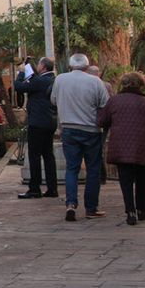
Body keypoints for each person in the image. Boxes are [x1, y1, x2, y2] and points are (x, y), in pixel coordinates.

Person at [98, 73, 145, 226]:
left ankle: (130, 210)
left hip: (121, 147)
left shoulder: (114, 101)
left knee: (126, 180)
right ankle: (142, 209)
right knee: (143, 179)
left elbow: (102, 121)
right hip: (143, 146)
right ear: (140, 85)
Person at [52, 52, 110, 221]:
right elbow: (104, 104)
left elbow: (53, 100)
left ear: (70, 65)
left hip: (68, 128)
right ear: (86, 66)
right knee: (93, 169)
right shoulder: (95, 81)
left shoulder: (60, 80)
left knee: (72, 168)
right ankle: (91, 208)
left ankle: (70, 203)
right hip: (91, 130)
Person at [14, 57, 58, 198]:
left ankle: (34, 188)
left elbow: (19, 86)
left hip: (37, 123)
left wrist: (21, 72)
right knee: (48, 156)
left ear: (43, 67)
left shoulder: (39, 81)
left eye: (39, 64)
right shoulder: (53, 79)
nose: (37, 66)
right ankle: (52, 188)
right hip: (50, 122)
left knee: (34, 156)